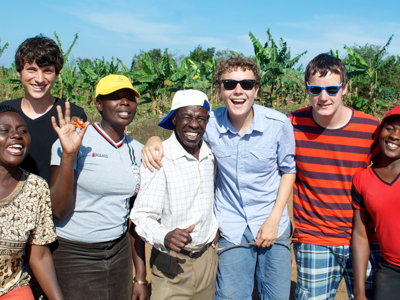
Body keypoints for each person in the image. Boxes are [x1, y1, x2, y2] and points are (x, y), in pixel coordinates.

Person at [141, 55, 296, 299]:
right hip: (231, 226)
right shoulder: (208, 122)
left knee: (275, 294)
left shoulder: (278, 124)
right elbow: (183, 130)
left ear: (256, 89)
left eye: (246, 84)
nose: (238, 91)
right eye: (229, 84)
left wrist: (275, 219)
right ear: (218, 90)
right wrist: (153, 140)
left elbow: (288, 170)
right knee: (231, 295)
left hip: (271, 222)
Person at [287, 53, 381, 300]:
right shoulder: (291, 125)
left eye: (331, 89)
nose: (323, 97)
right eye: (316, 89)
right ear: (307, 88)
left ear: (345, 88)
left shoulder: (371, 129)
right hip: (313, 236)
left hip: (364, 237)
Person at [49, 75, 147, 300]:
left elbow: (135, 216)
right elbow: (58, 210)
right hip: (74, 252)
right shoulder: (74, 140)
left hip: (118, 251)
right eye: (115, 97)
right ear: (99, 105)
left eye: (130, 98)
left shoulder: (139, 150)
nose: (124, 103)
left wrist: (140, 277)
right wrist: (69, 154)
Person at [131, 89, 219, 299]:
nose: (194, 125)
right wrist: (165, 235)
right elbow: (141, 216)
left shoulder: (211, 154)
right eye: (186, 117)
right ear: (174, 120)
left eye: (201, 118)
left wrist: (214, 226)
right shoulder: (159, 158)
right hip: (172, 265)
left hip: (208, 261)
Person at [2, 35, 86, 184]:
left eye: (47, 71)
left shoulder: (74, 116)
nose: (39, 79)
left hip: (57, 204)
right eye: (32, 70)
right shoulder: (4, 112)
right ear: (18, 72)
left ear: (57, 75)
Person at [0, 105, 63, 300]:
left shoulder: (35, 188)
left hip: (11, 288)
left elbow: (40, 256)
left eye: (22, 130)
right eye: (4, 130)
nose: (16, 135)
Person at [352, 106, 400, 300]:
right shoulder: (363, 179)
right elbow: (360, 234)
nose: (395, 135)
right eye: (390, 128)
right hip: (390, 270)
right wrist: (359, 292)